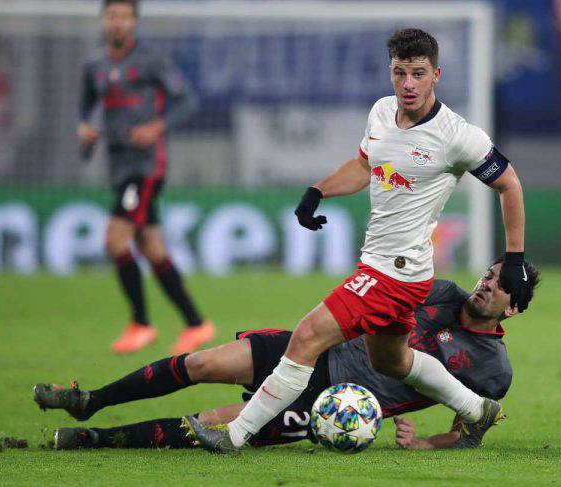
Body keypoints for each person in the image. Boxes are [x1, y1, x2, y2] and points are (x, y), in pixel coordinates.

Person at [183, 28, 530, 452]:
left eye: (418, 74)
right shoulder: (382, 112)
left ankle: (234, 435)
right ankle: (477, 410)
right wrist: (318, 190)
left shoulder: (458, 135)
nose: (408, 84)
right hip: (381, 264)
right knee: (392, 360)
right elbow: (365, 166)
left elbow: (509, 184)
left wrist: (514, 258)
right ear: (391, 72)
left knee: (307, 336)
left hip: (397, 271)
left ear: (436, 75)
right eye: (400, 73)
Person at [33, 259, 540, 450]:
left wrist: (424, 443)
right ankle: (91, 400)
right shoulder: (441, 292)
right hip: (314, 350)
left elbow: (468, 432)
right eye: (489, 274)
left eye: (499, 286)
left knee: (209, 424)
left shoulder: (493, 370)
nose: (486, 284)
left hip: (334, 401)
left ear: (513, 309)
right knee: (201, 363)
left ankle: (92, 440)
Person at [79, 0, 213, 355]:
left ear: (134, 22)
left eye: (124, 17)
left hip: (146, 166)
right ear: (104, 20)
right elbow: (86, 107)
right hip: (118, 165)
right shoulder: (95, 65)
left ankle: (140, 323)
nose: (118, 23)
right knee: (152, 249)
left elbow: (186, 100)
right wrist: (86, 130)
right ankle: (196, 324)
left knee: (115, 240)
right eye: (112, 16)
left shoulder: (151, 60)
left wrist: (156, 127)